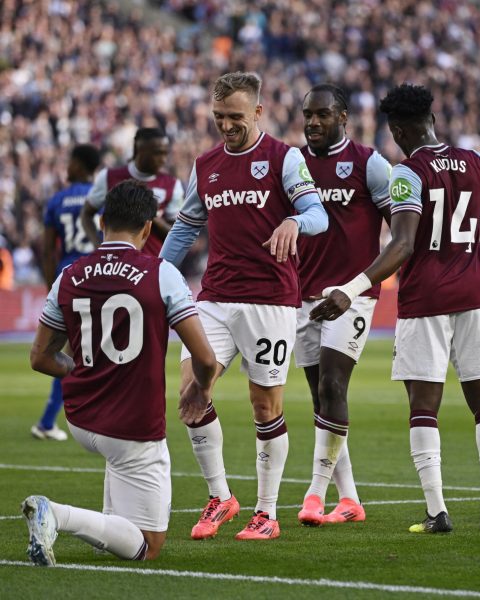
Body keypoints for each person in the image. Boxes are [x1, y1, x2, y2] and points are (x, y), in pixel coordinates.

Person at [310, 83, 480, 533]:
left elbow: (403, 244)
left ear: (397, 131)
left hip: (425, 300)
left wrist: (350, 288)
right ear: (431, 119)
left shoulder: (407, 173)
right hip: (475, 296)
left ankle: (437, 513)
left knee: (423, 407)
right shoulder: (475, 161)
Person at [159, 71, 328, 541]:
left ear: (257, 112)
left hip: (270, 301)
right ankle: (220, 497)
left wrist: (295, 221)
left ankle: (267, 513)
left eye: (235, 116)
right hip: (214, 298)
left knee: (264, 405)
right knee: (191, 393)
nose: (226, 125)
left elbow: (318, 215)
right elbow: (185, 228)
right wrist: (153, 273)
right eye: (218, 116)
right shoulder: (205, 165)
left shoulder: (284, 158)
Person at [22, 180, 216, 566]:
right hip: (133, 423)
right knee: (148, 545)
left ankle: (100, 526)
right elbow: (206, 359)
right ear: (147, 228)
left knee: (119, 498)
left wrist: (79, 369)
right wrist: (202, 388)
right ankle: (54, 513)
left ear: (102, 221)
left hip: (81, 418)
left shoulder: (69, 275)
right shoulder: (161, 274)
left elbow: (40, 357)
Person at [294, 84, 392, 526]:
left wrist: (358, 286)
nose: (313, 122)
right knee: (321, 397)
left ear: (343, 117)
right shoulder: (293, 164)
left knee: (333, 386)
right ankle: (349, 499)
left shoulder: (370, 164)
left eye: (322, 114)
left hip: (352, 295)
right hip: (303, 295)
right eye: (308, 115)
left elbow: (402, 231)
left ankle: (314, 494)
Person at [32, 144, 101, 442]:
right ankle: (60, 419)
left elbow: (48, 250)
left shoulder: (57, 200)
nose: (66, 167)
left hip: (67, 281)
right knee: (88, 352)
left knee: (67, 352)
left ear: (81, 165)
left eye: (71, 161)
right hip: (97, 279)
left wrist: (52, 289)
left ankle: (51, 420)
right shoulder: (101, 198)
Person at [81, 127, 184, 257]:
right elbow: (86, 214)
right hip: (116, 262)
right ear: (140, 149)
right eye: (157, 153)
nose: (163, 159)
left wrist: (149, 214)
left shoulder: (173, 185)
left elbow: (176, 236)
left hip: (151, 263)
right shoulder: (108, 177)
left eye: (165, 153)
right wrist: (98, 246)